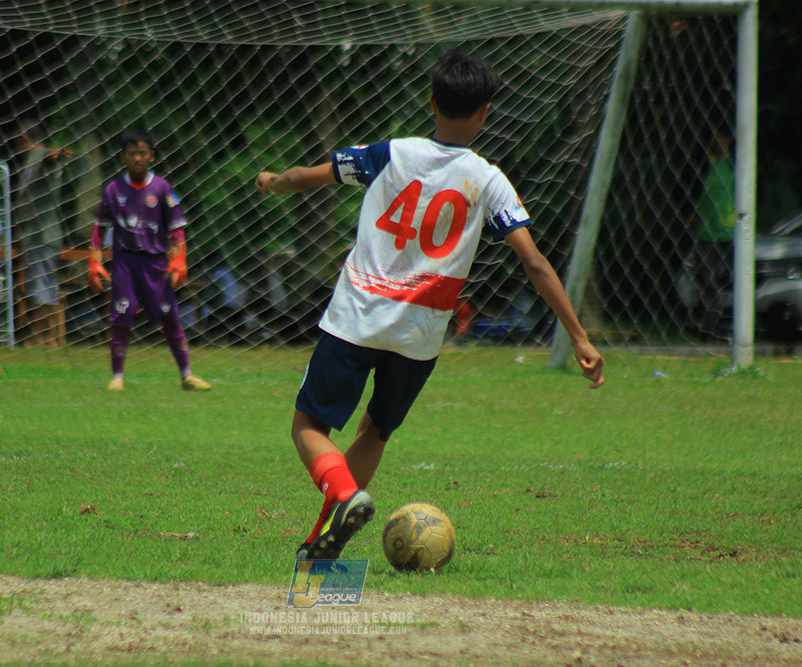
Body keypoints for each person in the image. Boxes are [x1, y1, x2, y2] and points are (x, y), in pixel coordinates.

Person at [255, 49, 604, 561]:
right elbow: (534, 263)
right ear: (485, 111)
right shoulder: (489, 180)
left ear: (432, 100)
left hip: (356, 317)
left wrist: (273, 180)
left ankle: (345, 495)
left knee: (308, 427)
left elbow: (311, 175)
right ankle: (324, 541)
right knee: (376, 429)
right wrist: (578, 336)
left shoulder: (390, 153)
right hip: (420, 335)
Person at [87, 128, 211, 392]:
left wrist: (180, 259)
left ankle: (187, 375)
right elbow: (99, 229)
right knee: (122, 315)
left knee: (170, 318)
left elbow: (177, 229)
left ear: (152, 155)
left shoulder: (162, 187)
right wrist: (94, 261)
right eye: (132, 154)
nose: (138, 158)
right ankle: (117, 376)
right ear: (123, 157)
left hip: (155, 263)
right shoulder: (113, 189)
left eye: (143, 153)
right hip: (124, 262)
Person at [13, 119, 70, 347]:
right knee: (41, 286)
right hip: (37, 235)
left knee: (41, 287)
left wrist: (52, 157)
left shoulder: (39, 156)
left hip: (42, 235)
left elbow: (48, 161)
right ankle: (47, 337)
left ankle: (42, 337)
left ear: (24, 138)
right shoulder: (32, 159)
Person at [693, 128, 735, 340]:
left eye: (723, 136)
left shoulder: (735, 164)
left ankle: (724, 325)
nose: (719, 140)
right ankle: (708, 328)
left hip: (731, 233)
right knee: (706, 280)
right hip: (705, 234)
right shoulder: (700, 164)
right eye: (715, 136)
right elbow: (688, 191)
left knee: (731, 280)